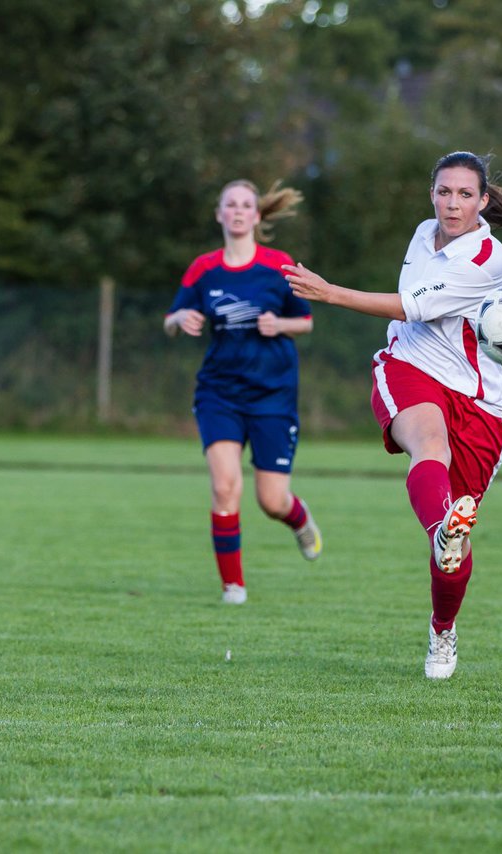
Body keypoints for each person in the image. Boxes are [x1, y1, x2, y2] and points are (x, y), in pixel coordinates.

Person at [283, 151, 502, 679]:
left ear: (483, 201)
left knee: (455, 554)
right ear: (432, 194)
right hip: (409, 367)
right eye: (444, 191)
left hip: (478, 399)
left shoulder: (489, 258)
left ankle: (442, 631)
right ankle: (443, 526)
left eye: (465, 194)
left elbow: (410, 304)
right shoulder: (424, 233)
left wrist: (330, 293)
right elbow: (410, 319)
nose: (452, 203)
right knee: (430, 450)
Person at [165, 178, 323, 605]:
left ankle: (300, 518)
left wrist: (280, 325)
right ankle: (233, 587)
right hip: (219, 393)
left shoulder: (278, 265)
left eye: (245, 205)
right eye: (229, 205)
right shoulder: (204, 268)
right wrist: (180, 319)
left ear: (256, 216)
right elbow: (171, 317)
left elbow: (305, 320)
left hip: (272, 395)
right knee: (225, 487)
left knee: (271, 500)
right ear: (219, 214)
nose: (237, 211)